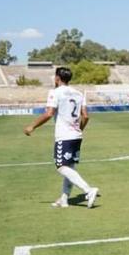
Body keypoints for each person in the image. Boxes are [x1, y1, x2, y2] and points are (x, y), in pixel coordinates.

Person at [23, 66, 99, 208]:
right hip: (76, 135)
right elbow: (86, 116)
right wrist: (79, 129)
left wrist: (32, 126)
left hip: (64, 136)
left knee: (61, 167)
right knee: (69, 166)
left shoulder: (55, 92)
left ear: (57, 78)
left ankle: (88, 190)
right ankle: (64, 199)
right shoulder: (78, 93)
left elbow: (49, 113)